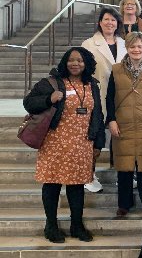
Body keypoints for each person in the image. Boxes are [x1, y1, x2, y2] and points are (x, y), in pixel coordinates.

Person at [23, 47, 105, 243]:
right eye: (71, 60)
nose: (75, 64)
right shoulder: (52, 82)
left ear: (86, 64)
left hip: (82, 143)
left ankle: (76, 225)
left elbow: (97, 115)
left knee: (77, 186)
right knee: (52, 184)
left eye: (79, 60)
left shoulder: (92, 84)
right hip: (55, 142)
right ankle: (51, 225)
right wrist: (48, 99)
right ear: (64, 62)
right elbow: (29, 102)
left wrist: (98, 143)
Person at [106, 32, 142, 218]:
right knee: (124, 166)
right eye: (132, 46)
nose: (136, 50)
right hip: (123, 123)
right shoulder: (116, 70)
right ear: (127, 48)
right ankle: (124, 204)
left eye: (139, 46)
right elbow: (109, 97)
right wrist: (112, 120)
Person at [81, 7, 126, 193]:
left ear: (118, 23)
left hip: (121, 95)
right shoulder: (89, 44)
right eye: (106, 19)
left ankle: (123, 173)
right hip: (97, 95)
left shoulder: (124, 43)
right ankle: (88, 175)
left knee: (120, 137)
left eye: (113, 20)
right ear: (100, 22)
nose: (110, 23)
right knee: (96, 137)